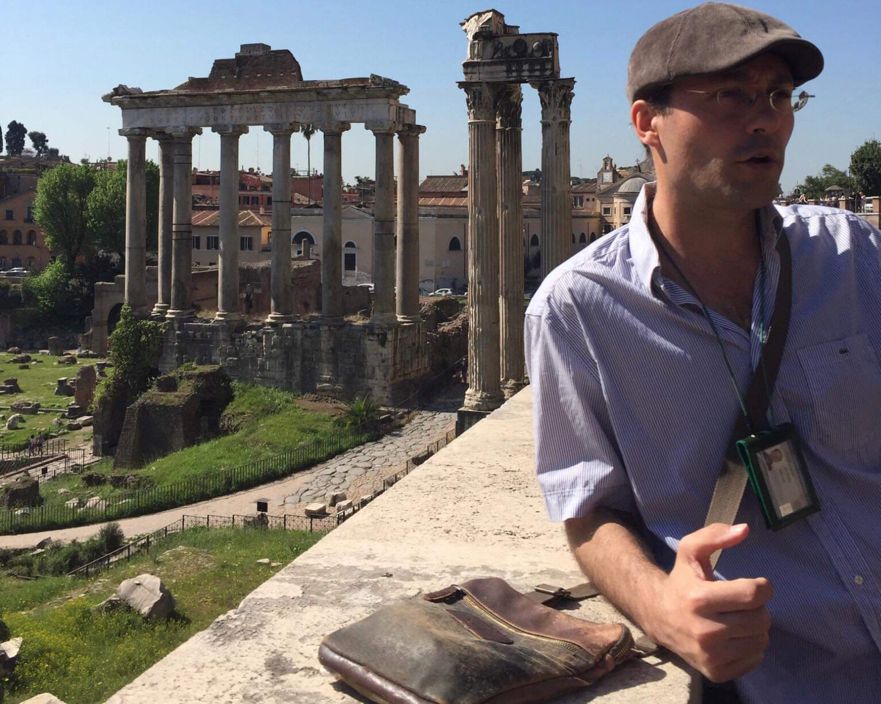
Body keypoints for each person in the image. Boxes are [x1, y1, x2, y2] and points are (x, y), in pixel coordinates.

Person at [525, 3, 881, 703]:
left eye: (778, 96)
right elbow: (586, 505)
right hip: (781, 678)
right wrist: (662, 609)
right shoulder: (578, 309)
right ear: (645, 123)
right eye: (728, 96)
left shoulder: (855, 257)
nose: (764, 119)